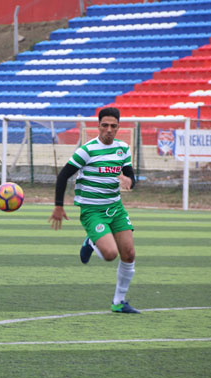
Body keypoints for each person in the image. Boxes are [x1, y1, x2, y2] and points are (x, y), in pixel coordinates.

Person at [48, 107, 140, 314]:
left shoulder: (123, 149)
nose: (109, 129)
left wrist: (129, 181)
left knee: (129, 253)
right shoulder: (87, 150)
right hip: (92, 211)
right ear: (98, 126)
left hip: (115, 208)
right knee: (109, 254)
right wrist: (58, 206)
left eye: (113, 126)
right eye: (104, 125)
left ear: (118, 127)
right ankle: (91, 241)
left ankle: (118, 302)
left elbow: (130, 177)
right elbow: (63, 176)